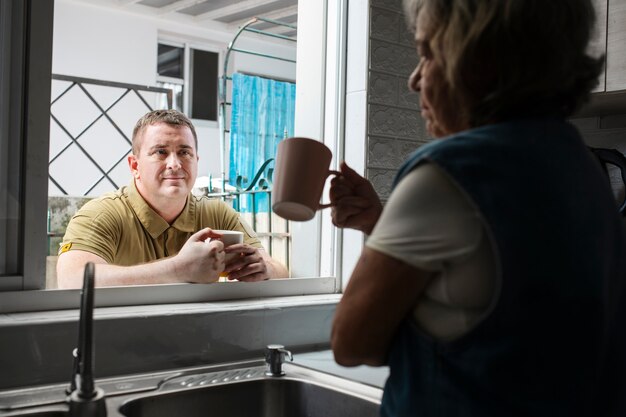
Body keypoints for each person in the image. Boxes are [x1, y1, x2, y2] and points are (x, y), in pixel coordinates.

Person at [330, 0, 626, 416]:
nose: (414, 80)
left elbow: (351, 343)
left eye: (428, 54)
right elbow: (502, 292)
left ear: (478, 57)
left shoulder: (445, 172)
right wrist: (382, 224)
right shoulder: (586, 168)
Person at [56, 109, 289, 288]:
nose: (175, 164)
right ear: (135, 165)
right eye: (161, 152)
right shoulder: (102, 214)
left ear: (196, 160)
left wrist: (263, 269)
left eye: (184, 152)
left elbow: (279, 270)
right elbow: (71, 280)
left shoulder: (217, 213)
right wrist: (179, 269)